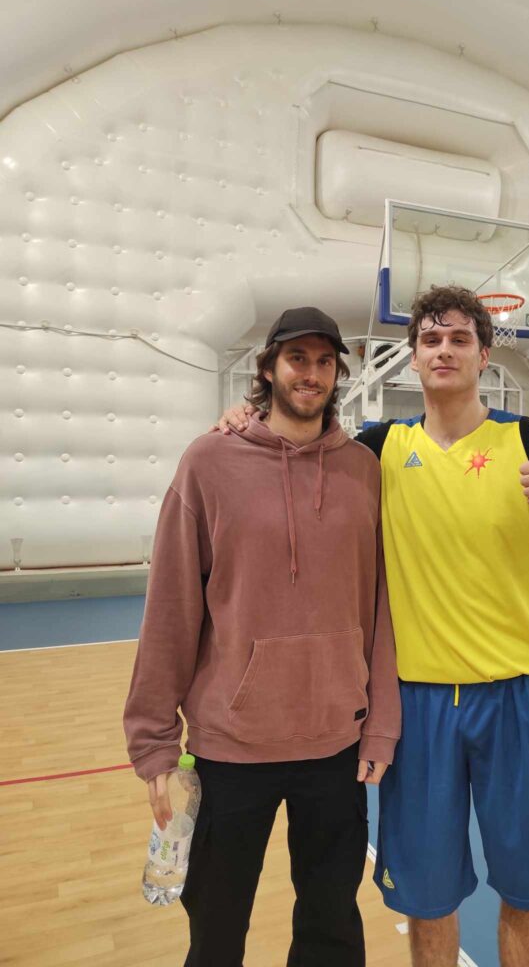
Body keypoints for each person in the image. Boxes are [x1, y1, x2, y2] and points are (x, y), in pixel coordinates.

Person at [216, 286, 529, 967]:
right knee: (428, 899)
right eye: (431, 340)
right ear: (412, 357)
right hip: (415, 708)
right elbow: (289, 450)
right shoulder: (378, 450)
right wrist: (247, 417)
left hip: (516, 699)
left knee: (528, 892)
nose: (444, 350)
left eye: (459, 339)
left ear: (484, 355)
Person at [124, 306, 401, 967]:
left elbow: (382, 609)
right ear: (269, 368)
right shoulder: (208, 462)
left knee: (332, 928)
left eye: (325, 362)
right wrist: (154, 741)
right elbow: (171, 607)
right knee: (217, 930)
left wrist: (382, 725)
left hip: (335, 743)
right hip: (231, 746)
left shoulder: (364, 470)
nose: (312, 373)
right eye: (297, 358)